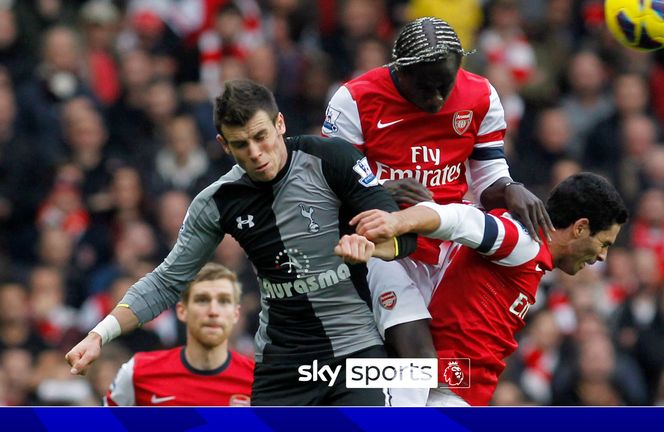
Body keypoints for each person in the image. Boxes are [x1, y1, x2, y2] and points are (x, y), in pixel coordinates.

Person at [66, 79, 417, 406]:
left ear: (280, 123)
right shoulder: (218, 201)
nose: (255, 153)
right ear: (224, 144)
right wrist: (99, 334)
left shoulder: (331, 159)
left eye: (261, 136)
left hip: (355, 351)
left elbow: (405, 235)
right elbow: (167, 280)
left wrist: (374, 246)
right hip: (282, 365)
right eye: (240, 144)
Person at [322, 16, 553, 405]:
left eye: (444, 86)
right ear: (401, 69)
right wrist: (377, 191)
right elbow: (326, 191)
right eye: (425, 87)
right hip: (382, 243)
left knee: (445, 372)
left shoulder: (481, 96)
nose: (436, 99)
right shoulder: (355, 100)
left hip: (449, 243)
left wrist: (512, 190)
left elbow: (488, 179)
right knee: (420, 361)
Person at [338, 172, 629, 406]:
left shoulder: (531, 253)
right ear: (579, 228)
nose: (602, 256)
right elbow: (460, 220)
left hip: (446, 382)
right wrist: (396, 221)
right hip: (442, 386)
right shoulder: (522, 241)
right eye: (603, 243)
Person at [105, 263, 254, 406]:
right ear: (182, 311)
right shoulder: (137, 372)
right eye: (202, 300)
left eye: (224, 301)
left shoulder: (259, 380)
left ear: (236, 314)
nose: (213, 311)